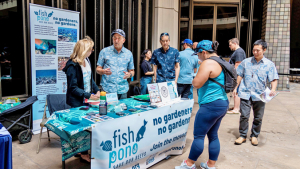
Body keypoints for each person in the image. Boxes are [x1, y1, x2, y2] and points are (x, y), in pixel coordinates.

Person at [175, 40, 228, 169]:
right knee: (213, 135)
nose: (197, 56)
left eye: (198, 54)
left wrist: (196, 75)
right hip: (222, 103)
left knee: (199, 136)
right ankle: (210, 165)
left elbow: (196, 83)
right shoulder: (221, 61)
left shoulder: (208, 63)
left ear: (204, 52)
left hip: (210, 105)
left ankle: (189, 164)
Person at [63, 36, 100, 163]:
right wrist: (89, 95)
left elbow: (90, 79)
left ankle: (81, 150)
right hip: (77, 101)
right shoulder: (72, 66)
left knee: (87, 126)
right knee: (83, 127)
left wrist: (96, 90)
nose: (92, 51)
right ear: (84, 50)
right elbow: (73, 88)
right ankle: (83, 153)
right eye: (90, 49)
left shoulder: (87, 60)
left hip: (87, 99)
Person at [234, 39, 278, 146]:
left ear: (264, 50)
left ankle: (254, 135)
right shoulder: (246, 62)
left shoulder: (269, 64)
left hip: (260, 95)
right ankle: (243, 135)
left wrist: (273, 89)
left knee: (258, 117)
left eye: (258, 50)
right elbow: (240, 74)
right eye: (254, 50)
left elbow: (274, 79)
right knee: (244, 115)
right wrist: (236, 87)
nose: (255, 52)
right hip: (245, 92)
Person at [96, 29, 135, 100]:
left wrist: (129, 75)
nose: (116, 40)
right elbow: (98, 69)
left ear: (124, 40)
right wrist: (103, 71)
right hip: (108, 90)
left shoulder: (128, 54)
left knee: (122, 110)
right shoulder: (104, 52)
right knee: (108, 110)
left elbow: (132, 71)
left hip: (122, 90)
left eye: (119, 38)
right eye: (114, 38)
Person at [227, 38, 246, 114]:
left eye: (230, 44)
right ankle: (236, 106)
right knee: (236, 90)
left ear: (235, 43)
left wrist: (234, 75)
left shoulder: (239, 52)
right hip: (237, 74)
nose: (229, 46)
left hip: (237, 75)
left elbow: (238, 64)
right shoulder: (238, 52)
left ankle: (236, 109)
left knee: (236, 90)